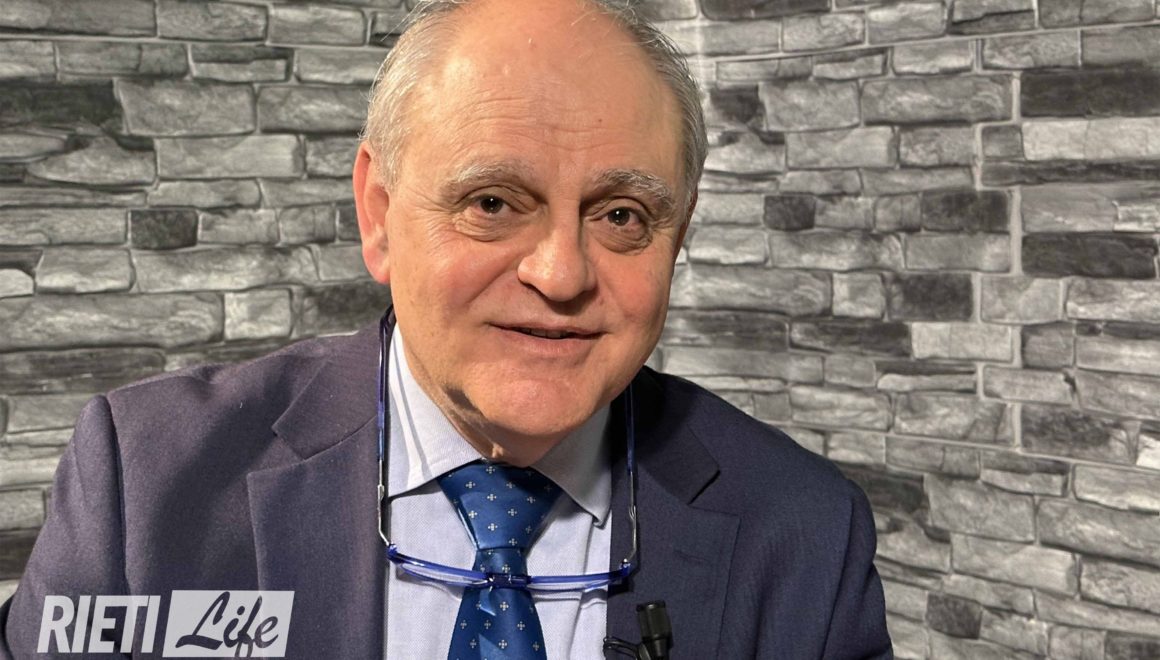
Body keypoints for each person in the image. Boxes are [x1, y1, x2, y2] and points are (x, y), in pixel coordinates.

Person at [0, 0, 892, 657]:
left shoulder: (805, 536)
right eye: (493, 203)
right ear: (379, 215)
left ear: (680, 233)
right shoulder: (146, 485)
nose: (561, 275)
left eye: (622, 215)